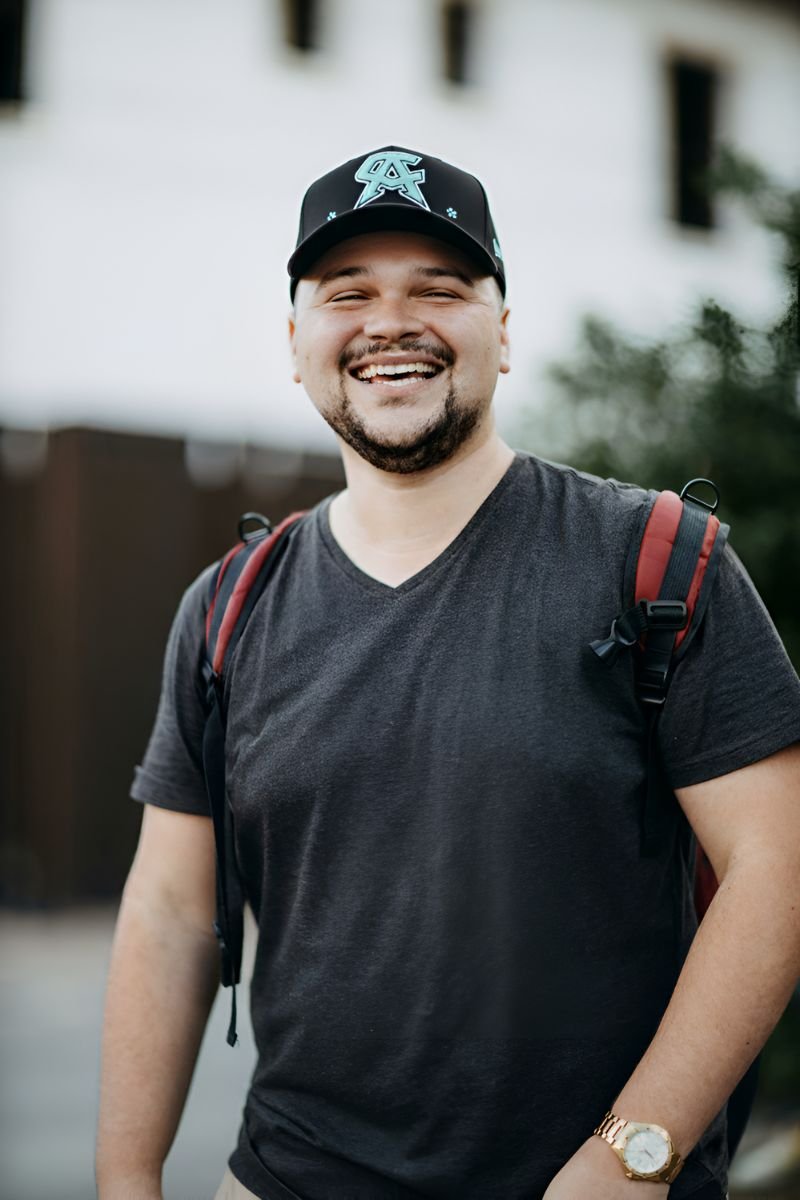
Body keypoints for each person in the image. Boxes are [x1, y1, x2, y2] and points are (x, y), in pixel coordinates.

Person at [95, 146, 800, 1200]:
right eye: (348, 293)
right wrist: (125, 1180)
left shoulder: (655, 562)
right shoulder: (228, 610)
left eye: (438, 288)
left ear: (501, 333)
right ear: (296, 344)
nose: (390, 323)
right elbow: (165, 910)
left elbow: (774, 867)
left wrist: (632, 1158)